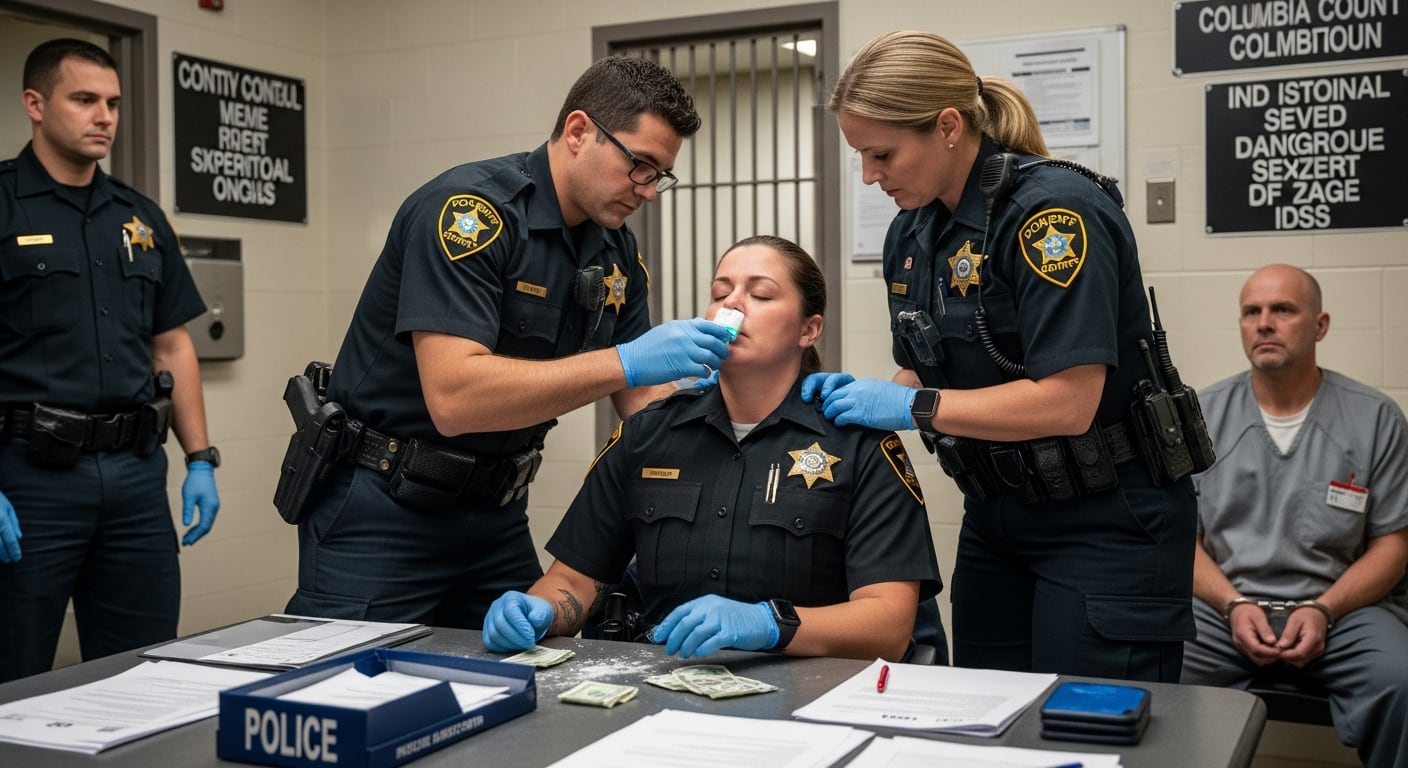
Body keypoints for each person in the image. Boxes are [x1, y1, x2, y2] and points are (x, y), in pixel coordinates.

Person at [801, 30, 1199, 682]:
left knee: (1083, 733)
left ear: (949, 126)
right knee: (987, 722)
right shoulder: (914, 231)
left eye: (881, 154)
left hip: (1104, 523)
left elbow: (1069, 403)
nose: (869, 176)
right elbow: (928, 370)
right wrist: (862, 399)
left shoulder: (1053, 214)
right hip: (997, 518)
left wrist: (909, 405)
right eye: (860, 157)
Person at [284, 56, 732, 628]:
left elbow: (642, 404)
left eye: (659, 175)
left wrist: (716, 425)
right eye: (639, 166)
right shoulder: (471, 213)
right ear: (578, 132)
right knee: (345, 689)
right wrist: (626, 361)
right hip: (386, 507)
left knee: (521, 677)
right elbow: (456, 399)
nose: (647, 191)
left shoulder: (616, 251)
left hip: (496, 512)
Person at [482, 235, 943, 661]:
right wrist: (538, 609)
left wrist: (769, 623)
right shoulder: (648, 433)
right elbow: (574, 580)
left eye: (760, 295)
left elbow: (888, 625)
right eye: (721, 293)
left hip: (808, 693)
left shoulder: (858, 442)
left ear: (809, 330)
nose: (733, 304)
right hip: (665, 685)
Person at [0, 39, 220, 683]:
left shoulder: (139, 216)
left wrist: (200, 459)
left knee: (144, 669)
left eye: (114, 103)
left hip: (132, 479)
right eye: (85, 100)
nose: (105, 117)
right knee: (14, 672)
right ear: (35, 104)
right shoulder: (4, 205)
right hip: (28, 477)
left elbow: (172, 343)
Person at [1181, 264, 1408, 768]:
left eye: (1283, 310)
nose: (1264, 323)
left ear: (1320, 326)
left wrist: (1324, 610)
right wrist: (1233, 604)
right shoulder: (1201, 415)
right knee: (1154, 670)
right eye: (1251, 312)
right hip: (1224, 611)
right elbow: (1182, 542)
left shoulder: (1375, 418)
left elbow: (1393, 546)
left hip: (1344, 612)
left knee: (1402, 680)